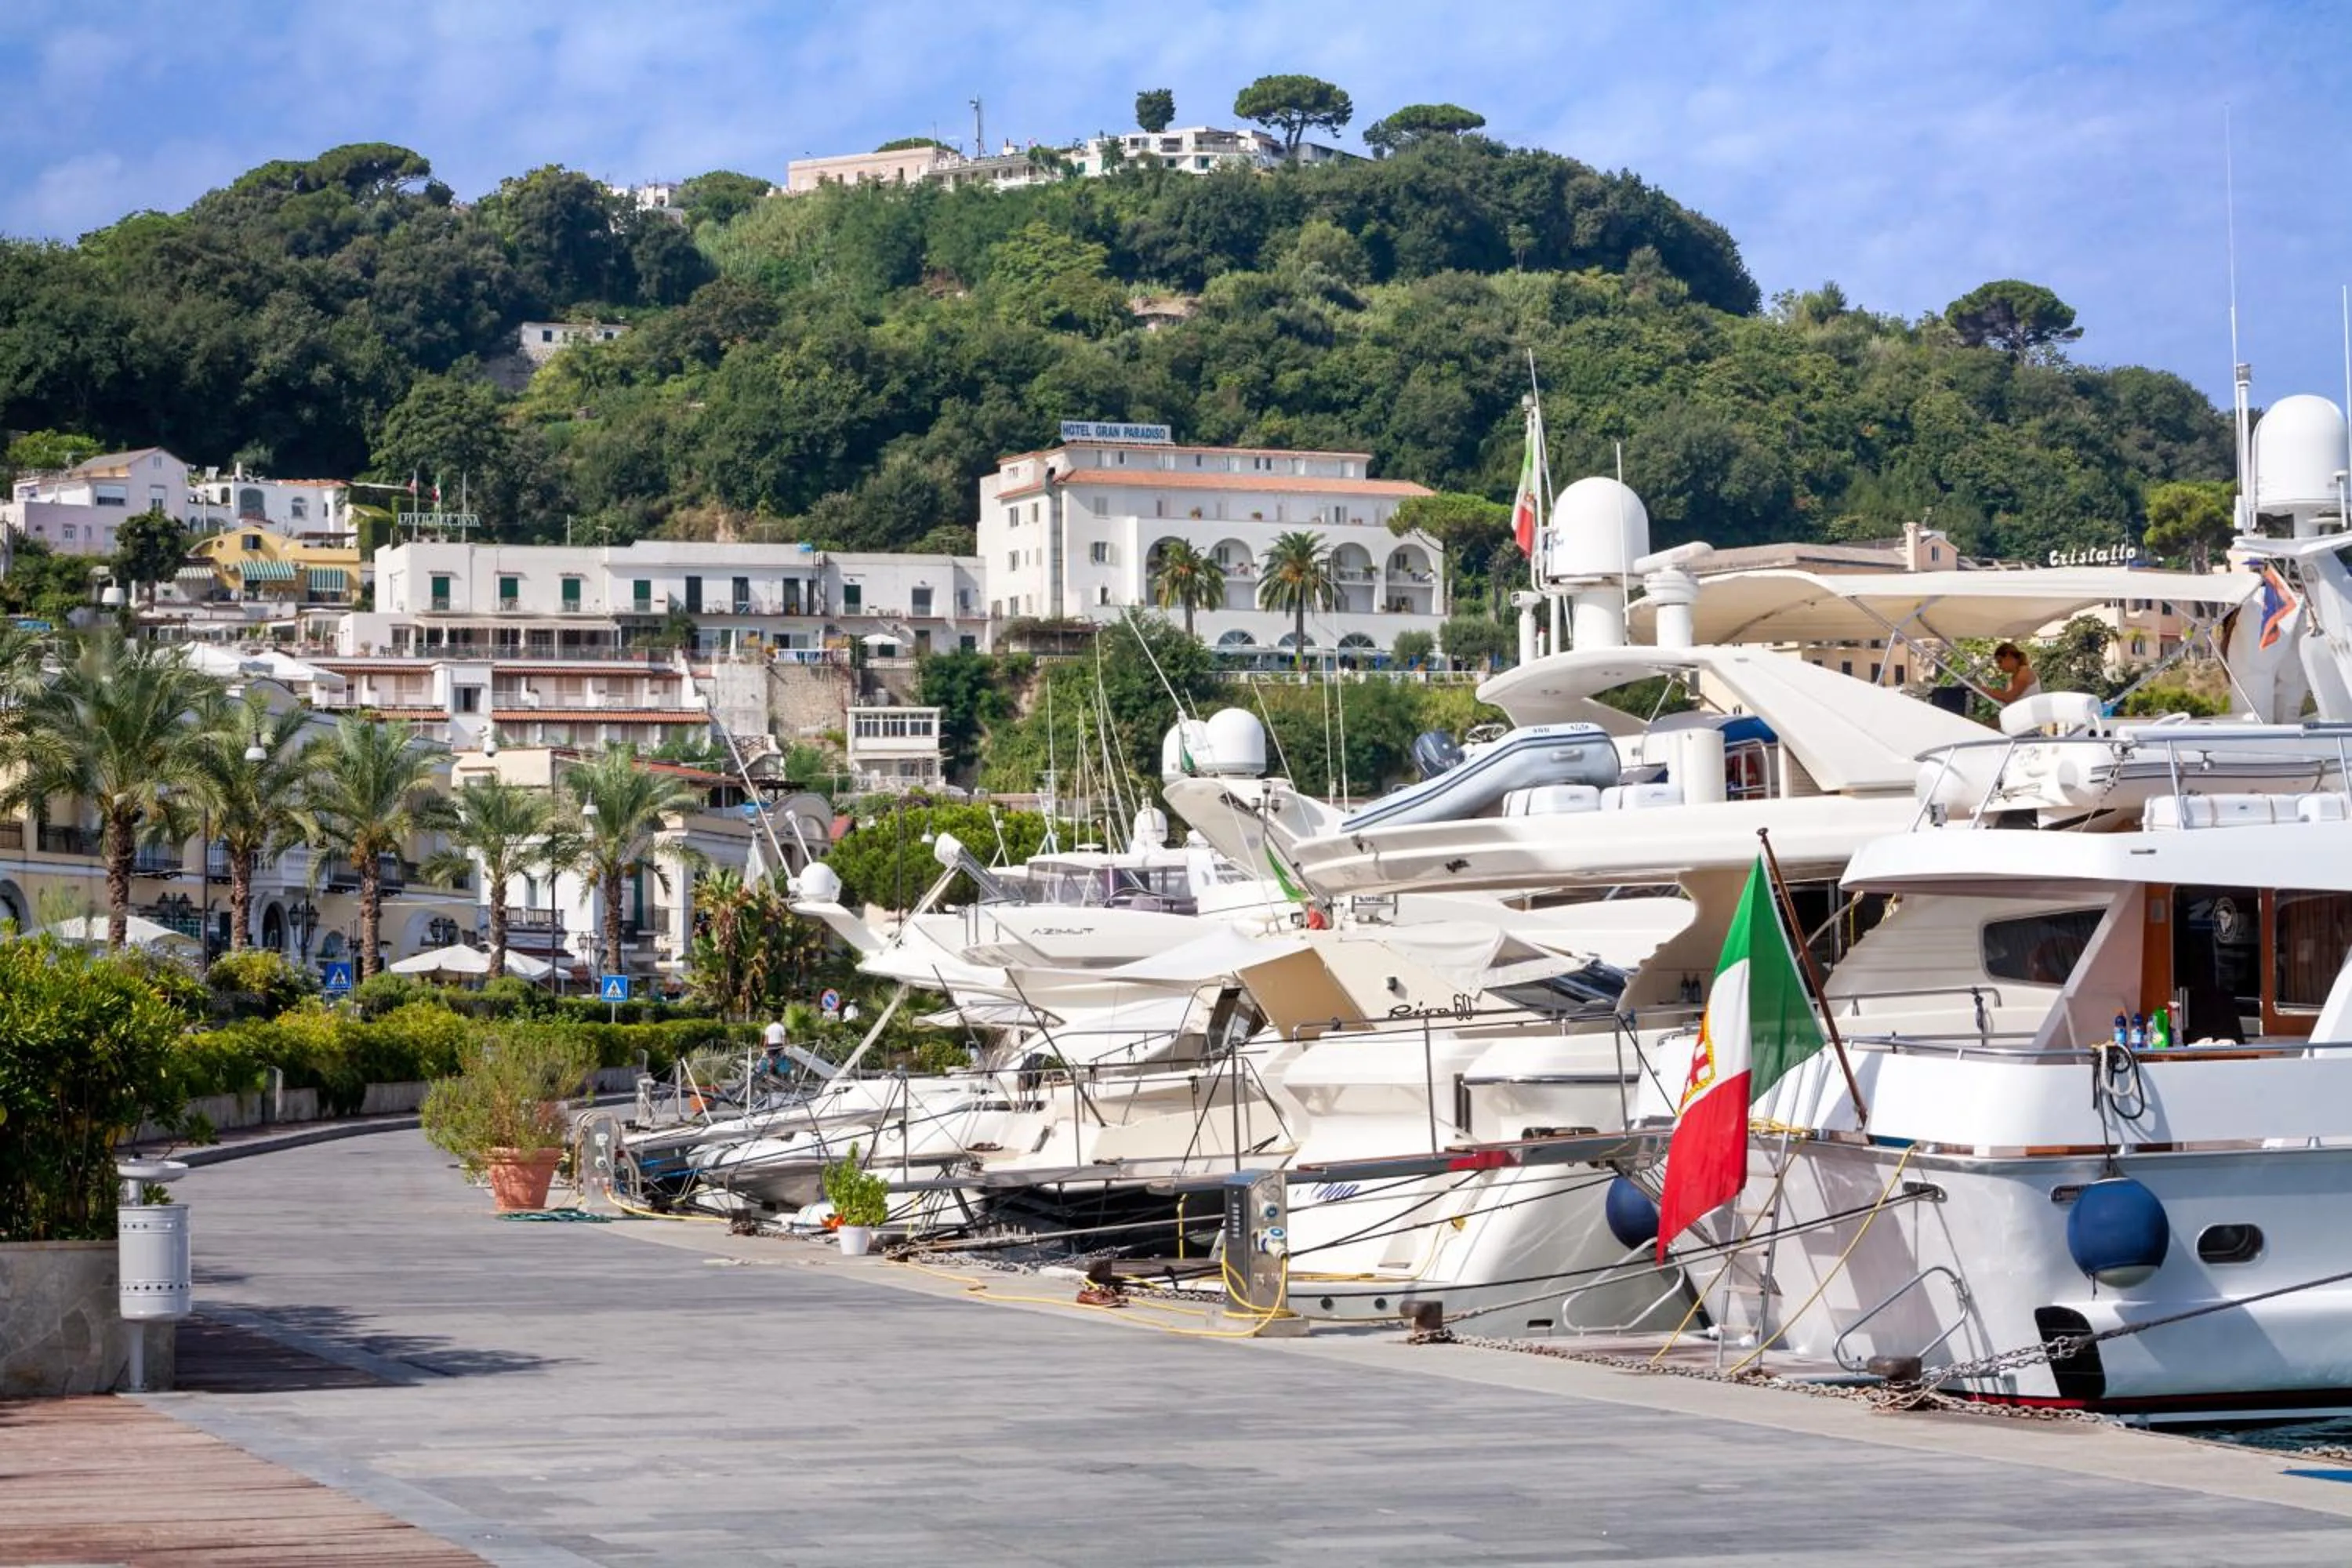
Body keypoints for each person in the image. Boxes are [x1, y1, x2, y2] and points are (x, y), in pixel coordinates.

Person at [1989, 642, 2038, 706]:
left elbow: (2010, 697)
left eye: (2000, 661)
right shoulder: (2013, 677)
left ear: (2009, 656)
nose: (1999, 667)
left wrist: (1985, 690)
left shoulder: (2025, 671)